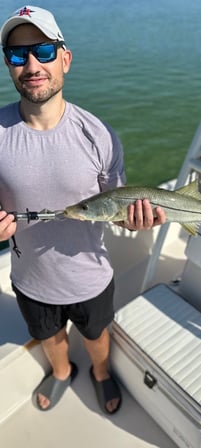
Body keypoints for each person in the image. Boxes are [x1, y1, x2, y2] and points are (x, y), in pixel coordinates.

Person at [0, 5, 166, 413]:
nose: (32, 65)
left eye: (43, 50)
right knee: (50, 336)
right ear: (8, 65)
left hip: (89, 278)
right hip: (29, 278)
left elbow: (118, 204)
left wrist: (141, 219)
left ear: (65, 59)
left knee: (96, 335)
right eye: (18, 55)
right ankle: (60, 372)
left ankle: (100, 371)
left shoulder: (100, 136)